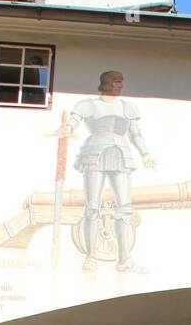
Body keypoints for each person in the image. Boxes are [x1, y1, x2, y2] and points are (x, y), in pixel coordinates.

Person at [66, 70, 155, 272]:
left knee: (124, 206)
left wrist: (145, 153)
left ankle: (124, 260)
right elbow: (72, 124)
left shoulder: (127, 107)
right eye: (117, 81)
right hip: (94, 152)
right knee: (92, 206)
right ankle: (91, 257)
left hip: (121, 153)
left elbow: (135, 134)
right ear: (107, 82)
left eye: (121, 82)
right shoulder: (88, 105)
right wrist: (65, 129)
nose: (120, 85)